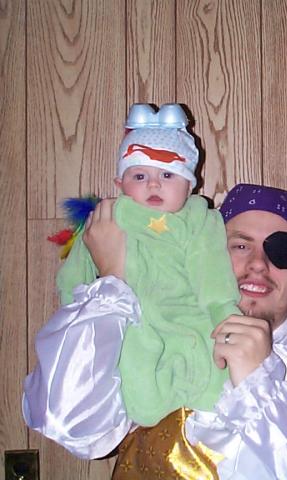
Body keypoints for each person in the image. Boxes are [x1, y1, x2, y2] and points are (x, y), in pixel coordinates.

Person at [23, 183, 287, 479]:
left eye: (280, 252)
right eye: (239, 247)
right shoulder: (152, 344)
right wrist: (114, 285)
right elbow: (73, 427)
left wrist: (260, 386)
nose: (258, 264)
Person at [53, 103, 240, 427]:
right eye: (140, 176)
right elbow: (73, 276)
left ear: (190, 184)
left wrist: (224, 316)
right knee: (141, 394)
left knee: (211, 383)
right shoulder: (107, 218)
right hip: (132, 324)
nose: (153, 184)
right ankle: (146, 409)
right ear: (120, 183)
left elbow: (213, 278)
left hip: (189, 320)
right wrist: (75, 311)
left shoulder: (199, 220)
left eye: (168, 175)